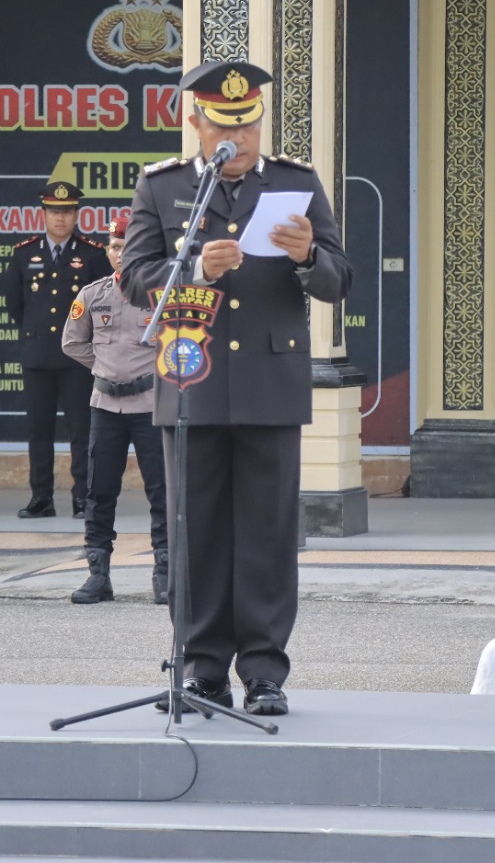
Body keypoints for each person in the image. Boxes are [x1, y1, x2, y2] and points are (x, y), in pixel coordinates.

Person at [120, 59, 352, 717]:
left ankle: (264, 671)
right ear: (195, 122)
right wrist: (194, 266)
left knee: (266, 535)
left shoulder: (295, 182)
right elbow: (134, 277)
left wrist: (308, 256)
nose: (239, 138)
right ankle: (202, 671)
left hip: (270, 383)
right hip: (191, 380)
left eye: (248, 125)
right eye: (225, 126)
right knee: (195, 532)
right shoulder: (163, 187)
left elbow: (340, 279)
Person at [60, 211, 168, 605]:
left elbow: (182, 344)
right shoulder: (92, 295)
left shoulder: (162, 295)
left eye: (127, 246)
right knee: (99, 491)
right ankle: (98, 574)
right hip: (105, 405)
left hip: (150, 405)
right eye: (115, 246)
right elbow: (72, 343)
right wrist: (105, 366)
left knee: (162, 491)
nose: (120, 253)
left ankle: (165, 573)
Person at [3, 181, 110, 520]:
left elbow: (103, 304)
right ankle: (41, 498)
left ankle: (83, 497)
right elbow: (15, 305)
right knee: (39, 430)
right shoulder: (24, 254)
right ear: (43, 214)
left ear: (77, 214)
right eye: (53, 211)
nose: (60, 218)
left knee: (82, 430)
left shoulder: (92, 254)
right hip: (37, 355)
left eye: (66, 211)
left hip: (78, 358)